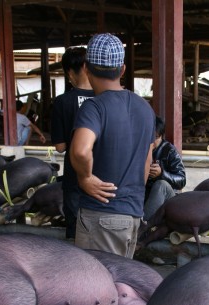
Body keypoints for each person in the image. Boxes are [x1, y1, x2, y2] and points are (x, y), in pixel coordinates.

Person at [70, 33, 155, 257]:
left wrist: (85, 177)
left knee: (95, 288)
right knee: (119, 285)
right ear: (123, 69)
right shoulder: (145, 108)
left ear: (86, 69)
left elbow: (80, 150)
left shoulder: (94, 108)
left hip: (101, 215)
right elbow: (147, 160)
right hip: (132, 215)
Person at [51, 46, 95, 238]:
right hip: (104, 176)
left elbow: (60, 147)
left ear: (69, 72)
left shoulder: (62, 102)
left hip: (75, 177)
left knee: (76, 232)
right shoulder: (103, 98)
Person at [143, 115, 186, 221]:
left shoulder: (169, 150)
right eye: (149, 137)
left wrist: (162, 174)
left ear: (161, 136)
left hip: (167, 197)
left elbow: (182, 180)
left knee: (161, 184)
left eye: (156, 138)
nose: (152, 141)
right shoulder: (139, 148)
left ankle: (144, 225)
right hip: (145, 196)